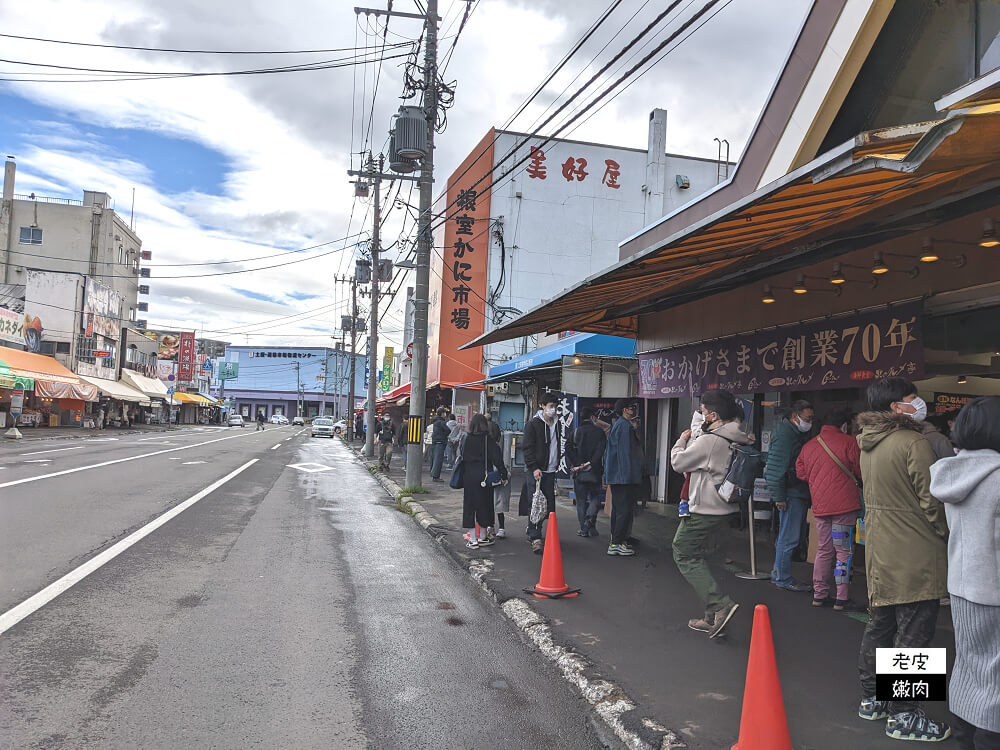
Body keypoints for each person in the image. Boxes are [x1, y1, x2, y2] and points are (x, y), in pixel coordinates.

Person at [856, 378, 950, 742]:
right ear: (896, 406)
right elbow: (932, 500)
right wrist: (948, 534)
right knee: (914, 631)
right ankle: (905, 715)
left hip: (881, 547)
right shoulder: (913, 442)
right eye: (913, 398)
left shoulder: (868, 442)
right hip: (915, 550)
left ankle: (873, 699)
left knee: (880, 624)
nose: (919, 403)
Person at [929, 397, 1000, 749]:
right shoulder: (996, 475)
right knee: (911, 637)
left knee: (966, 661)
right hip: (978, 580)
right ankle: (899, 707)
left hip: (954, 576)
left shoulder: (949, 469)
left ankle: (888, 705)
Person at [669, 389, 748, 638]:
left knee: (683, 552)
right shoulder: (738, 437)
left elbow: (678, 463)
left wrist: (682, 440)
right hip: (726, 509)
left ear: (713, 415)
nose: (702, 416)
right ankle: (712, 617)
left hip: (705, 509)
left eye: (703, 412)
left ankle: (721, 605)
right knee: (706, 560)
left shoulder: (709, 440)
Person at [795, 406, 862, 610]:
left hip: (821, 506)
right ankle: (841, 597)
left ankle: (819, 593)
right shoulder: (849, 442)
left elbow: (801, 473)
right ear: (844, 424)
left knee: (823, 550)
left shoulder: (808, 446)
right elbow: (860, 469)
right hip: (844, 507)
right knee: (843, 551)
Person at [764, 399, 815, 592]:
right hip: (791, 493)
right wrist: (778, 496)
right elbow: (775, 468)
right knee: (790, 537)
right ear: (795, 417)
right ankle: (783, 578)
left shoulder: (790, 432)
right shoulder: (786, 435)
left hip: (791, 492)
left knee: (786, 535)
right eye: (807, 418)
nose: (810, 422)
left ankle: (779, 573)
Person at [521, 392, 564, 554]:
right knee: (536, 503)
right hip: (537, 471)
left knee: (548, 506)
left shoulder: (557, 423)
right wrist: (534, 467)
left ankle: (536, 530)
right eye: (550, 406)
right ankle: (535, 536)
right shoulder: (533, 424)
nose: (553, 410)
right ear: (542, 406)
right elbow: (527, 447)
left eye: (555, 407)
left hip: (551, 470)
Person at [460, 414, 509, 549]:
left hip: (469, 477)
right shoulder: (489, 440)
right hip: (484, 477)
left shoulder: (467, 438)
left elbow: (462, 456)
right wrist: (503, 473)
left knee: (470, 507)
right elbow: (497, 459)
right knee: (484, 506)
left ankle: (473, 540)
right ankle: (482, 536)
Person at [603, 399, 642, 556]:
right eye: (632, 408)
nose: (634, 410)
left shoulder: (619, 425)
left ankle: (616, 540)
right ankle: (616, 543)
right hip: (624, 476)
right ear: (625, 410)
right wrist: (629, 477)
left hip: (617, 475)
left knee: (618, 510)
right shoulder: (625, 427)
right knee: (624, 510)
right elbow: (626, 454)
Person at [569, 407, 607, 538]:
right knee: (595, 498)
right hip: (595, 471)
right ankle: (591, 522)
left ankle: (584, 529)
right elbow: (600, 451)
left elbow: (568, 449)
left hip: (579, 473)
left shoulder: (575, 432)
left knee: (580, 501)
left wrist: (577, 464)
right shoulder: (599, 432)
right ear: (592, 417)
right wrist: (591, 463)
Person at [486, 413, 511, 537]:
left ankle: (490, 527)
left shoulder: (484, 442)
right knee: (500, 502)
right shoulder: (497, 430)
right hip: (499, 474)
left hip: (488, 475)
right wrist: (504, 474)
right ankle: (501, 528)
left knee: (489, 502)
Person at [430, 408, 450, 481]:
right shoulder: (441, 422)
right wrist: (444, 435)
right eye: (444, 413)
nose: (445, 415)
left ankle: (433, 474)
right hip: (440, 442)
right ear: (442, 413)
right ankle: (436, 476)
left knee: (434, 458)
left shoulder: (435, 421)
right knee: (438, 460)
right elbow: (448, 430)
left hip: (435, 441)